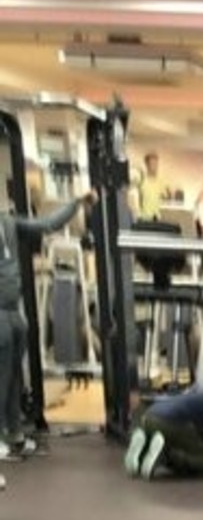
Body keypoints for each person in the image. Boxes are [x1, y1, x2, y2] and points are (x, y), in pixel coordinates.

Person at [0, 186, 95, 459]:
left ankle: (14, 434)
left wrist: (76, 203)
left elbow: (47, 224)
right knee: (2, 377)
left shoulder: (9, 222)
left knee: (15, 378)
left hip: (12, 310)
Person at [136, 152, 168, 218]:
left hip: (156, 216)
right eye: (152, 164)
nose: (155, 167)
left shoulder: (160, 181)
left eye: (156, 164)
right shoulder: (141, 180)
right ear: (147, 165)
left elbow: (165, 196)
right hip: (144, 217)